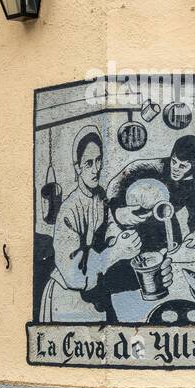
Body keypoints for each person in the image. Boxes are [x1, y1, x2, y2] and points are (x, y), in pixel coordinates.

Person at [39, 127, 140, 323]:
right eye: (89, 163)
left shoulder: (100, 195)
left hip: (94, 288)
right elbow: (73, 274)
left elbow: (109, 223)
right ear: (78, 168)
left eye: (99, 160)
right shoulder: (69, 210)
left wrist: (117, 239)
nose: (96, 169)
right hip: (67, 294)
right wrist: (115, 252)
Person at [106, 135, 195, 256]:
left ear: (194, 167)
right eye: (174, 161)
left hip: (165, 217)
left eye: (182, 166)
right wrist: (117, 210)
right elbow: (117, 182)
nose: (175, 168)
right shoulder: (156, 166)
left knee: (173, 253)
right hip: (133, 216)